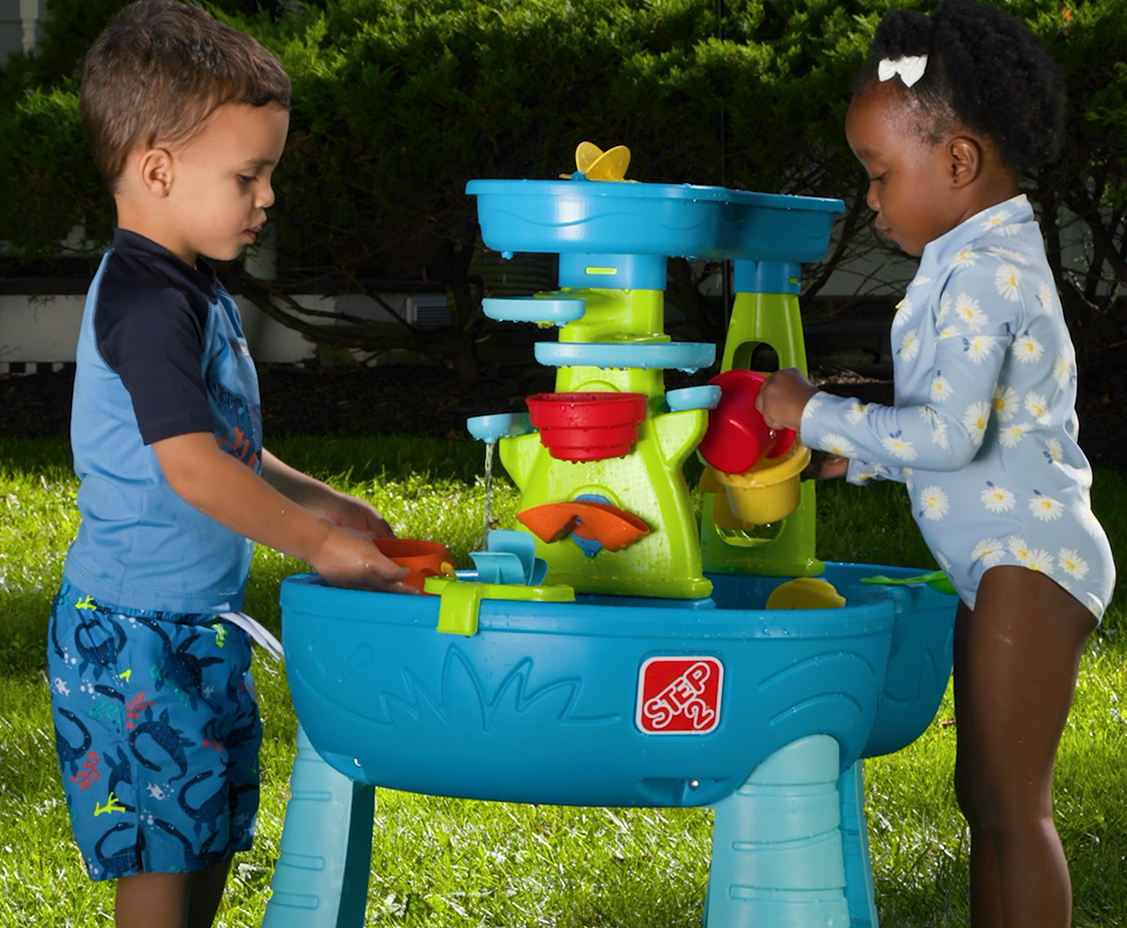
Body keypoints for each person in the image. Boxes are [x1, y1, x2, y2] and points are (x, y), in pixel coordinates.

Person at [46, 3, 416, 927]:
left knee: (202, 829)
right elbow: (196, 472)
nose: (267, 196)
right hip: (131, 637)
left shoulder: (186, 282)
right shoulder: (144, 301)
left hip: (186, 623)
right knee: (165, 855)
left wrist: (319, 500)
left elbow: (227, 446)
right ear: (158, 168)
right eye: (248, 174)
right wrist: (316, 548)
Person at [754, 2, 1116, 926]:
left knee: (1011, 805)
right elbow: (963, 433)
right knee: (982, 801)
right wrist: (854, 457)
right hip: (996, 555)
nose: (868, 199)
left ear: (956, 161)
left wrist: (814, 412)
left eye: (878, 174)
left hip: (1028, 560)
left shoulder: (988, 270)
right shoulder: (969, 256)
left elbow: (948, 437)